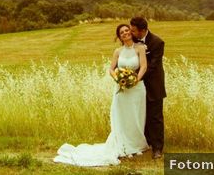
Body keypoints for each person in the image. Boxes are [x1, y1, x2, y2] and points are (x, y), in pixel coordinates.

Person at [53, 24, 149, 166]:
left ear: (131, 32)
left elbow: (144, 66)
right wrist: (117, 77)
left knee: (136, 116)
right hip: (121, 88)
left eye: (127, 30)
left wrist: (135, 80)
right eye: (121, 32)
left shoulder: (140, 48)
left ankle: (136, 145)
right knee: (122, 117)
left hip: (137, 88)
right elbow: (111, 69)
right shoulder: (117, 51)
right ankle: (124, 146)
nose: (125, 33)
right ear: (119, 36)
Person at [130, 16, 165, 159]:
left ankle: (157, 148)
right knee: (140, 116)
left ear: (142, 30)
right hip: (136, 87)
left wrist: (135, 78)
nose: (131, 33)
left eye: (133, 30)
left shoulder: (157, 42)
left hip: (153, 85)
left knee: (155, 117)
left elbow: (152, 66)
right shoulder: (133, 41)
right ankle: (144, 144)